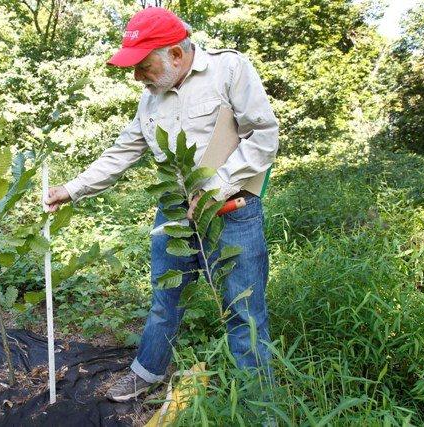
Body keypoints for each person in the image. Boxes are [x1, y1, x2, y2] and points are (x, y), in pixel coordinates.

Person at [45, 7, 279, 402]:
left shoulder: (230, 70)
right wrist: (72, 188)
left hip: (232, 211)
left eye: (142, 65)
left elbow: (264, 136)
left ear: (175, 53)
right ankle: (147, 371)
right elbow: (121, 152)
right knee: (164, 299)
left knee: (244, 309)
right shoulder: (150, 100)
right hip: (174, 212)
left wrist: (216, 187)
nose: (136, 76)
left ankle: (259, 402)